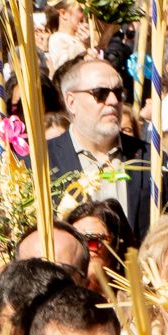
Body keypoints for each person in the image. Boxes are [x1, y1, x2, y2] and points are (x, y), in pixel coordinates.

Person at [48, 58, 153, 242]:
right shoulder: (41, 161)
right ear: (71, 102)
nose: (113, 101)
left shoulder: (151, 158)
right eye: (100, 93)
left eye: (118, 92)